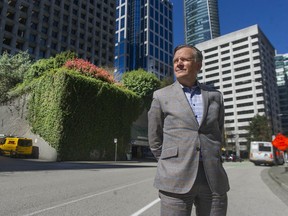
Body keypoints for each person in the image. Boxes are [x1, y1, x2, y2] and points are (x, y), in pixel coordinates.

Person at [148, 44, 230, 216]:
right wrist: (168, 161)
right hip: (175, 177)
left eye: (184, 60)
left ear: (198, 65)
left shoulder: (216, 96)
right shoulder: (160, 96)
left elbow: (218, 130)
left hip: (212, 178)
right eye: (176, 61)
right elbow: (154, 135)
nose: (178, 64)